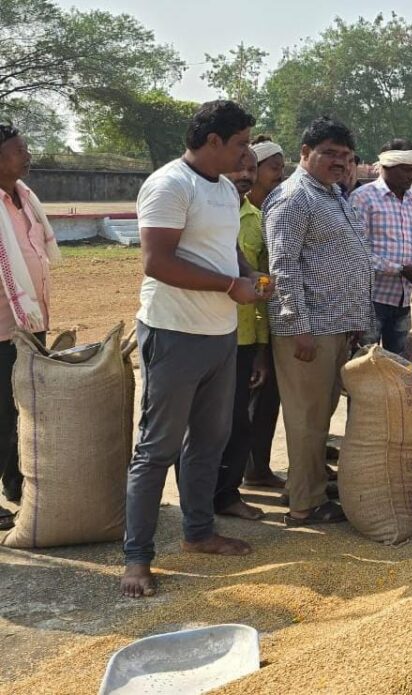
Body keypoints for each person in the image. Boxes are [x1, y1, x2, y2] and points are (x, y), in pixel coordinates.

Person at [122, 101, 265, 598]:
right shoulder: (169, 185)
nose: (247, 153)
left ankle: (198, 532)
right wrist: (230, 285)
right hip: (174, 332)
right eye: (242, 142)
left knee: (208, 441)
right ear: (213, 142)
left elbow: (230, 247)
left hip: (219, 335)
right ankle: (136, 558)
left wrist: (247, 274)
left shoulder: (224, 189)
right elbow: (156, 262)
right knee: (157, 449)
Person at [265, 116, 373, 528]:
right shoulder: (294, 198)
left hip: (335, 324)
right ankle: (304, 507)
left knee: (319, 415)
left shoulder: (331, 195)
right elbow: (283, 267)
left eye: (346, 156)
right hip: (309, 330)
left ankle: (305, 486)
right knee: (306, 418)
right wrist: (298, 327)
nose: (340, 162)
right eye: (329, 153)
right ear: (305, 154)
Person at [0, 123, 58, 531]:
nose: (28, 155)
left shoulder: (27, 198)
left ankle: (17, 483)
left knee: (25, 409)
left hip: (31, 321)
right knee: (1, 413)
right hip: (1, 328)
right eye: (20, 149)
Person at [211, 150, 274, 521]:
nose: (245, 175)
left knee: (237, 423)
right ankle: (200, 502)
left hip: (245, 338)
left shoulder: (256, 220)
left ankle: (227, 494)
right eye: (240, 167)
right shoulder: (204, 212)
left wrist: (263, 350)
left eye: (252, 169)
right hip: (205, 334)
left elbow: (260, 284)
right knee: (204, 427)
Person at [349, 140, 412, 354]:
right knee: (363, 362)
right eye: (406, 170)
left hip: (406, 302)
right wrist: (400, 269)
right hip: (371, 300)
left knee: (399, 367)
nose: (411, 176)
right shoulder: (363, 198)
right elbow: (357, 253)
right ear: (387, 166)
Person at [241, 137, 287, 490]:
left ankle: (258, 466)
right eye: (274, 168)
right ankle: (249, 469)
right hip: (247, 328)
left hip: (269, 324)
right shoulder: (246, 219)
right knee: (249, 404)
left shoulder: (268, 214)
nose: (280, 175)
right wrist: (259, 342)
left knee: (268, 402)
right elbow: (256, 281)